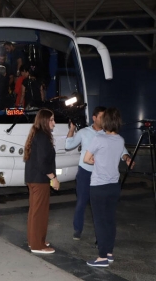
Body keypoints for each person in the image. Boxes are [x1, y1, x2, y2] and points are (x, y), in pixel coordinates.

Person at [65, 106, 132, 240]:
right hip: (85, 172)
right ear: (94, 118)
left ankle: (100, 236)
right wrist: (72, 130)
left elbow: (122, 151)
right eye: (101, 117)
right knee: (82, 202)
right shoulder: (84, 132)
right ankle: (77, 229)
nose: (103, 120)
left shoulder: (109, 134)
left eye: (105, 117)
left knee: (100, 207)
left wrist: (127, 158)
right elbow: (68, 145)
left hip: (101, 175)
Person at [83, 108, 130, 267]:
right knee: (110, 219)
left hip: (99, 186)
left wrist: (95, 161)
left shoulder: (98, 138)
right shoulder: (120, 140)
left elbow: (86, 159)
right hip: (114, 186)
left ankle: (102, 257)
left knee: (100, 221)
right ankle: (109, 252)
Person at [24, 109, 59, 254]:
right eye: (51, 120)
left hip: (33, 178)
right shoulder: (43, 137)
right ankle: (38, 246)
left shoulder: (37, 135)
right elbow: (43, 163)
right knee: (40, 213)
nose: (54, 123)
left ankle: (35, 241)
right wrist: (54, 178)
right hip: (40, 180)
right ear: (44, 121)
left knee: (35, 211)